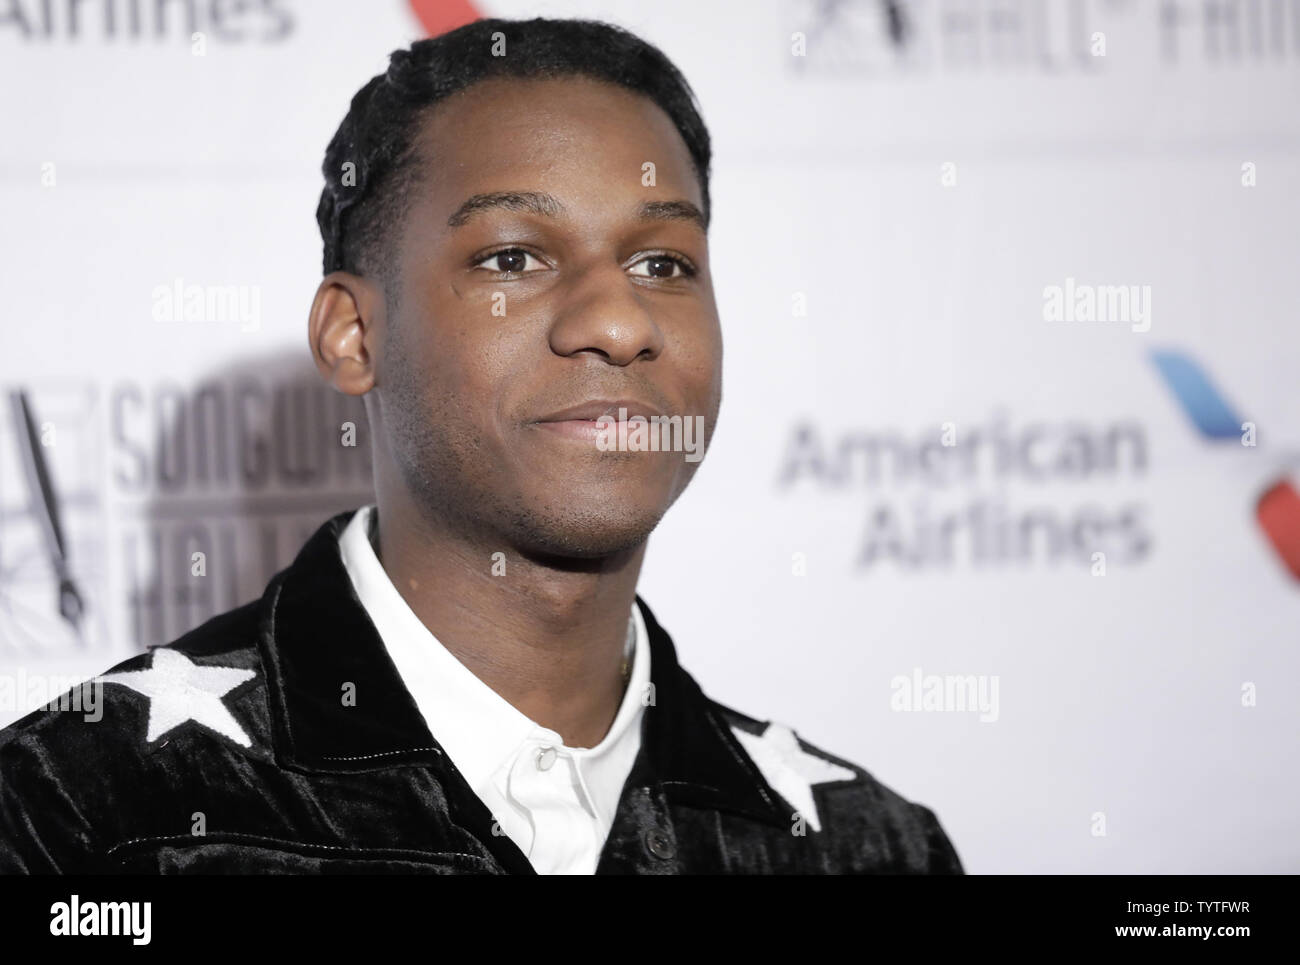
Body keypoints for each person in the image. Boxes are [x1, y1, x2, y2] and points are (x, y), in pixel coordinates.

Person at [0, 16, 962, 875]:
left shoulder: (863, 847)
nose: (618, 322)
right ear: (354, 335)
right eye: (514, 258)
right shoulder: (86, 815)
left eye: (663, 262)